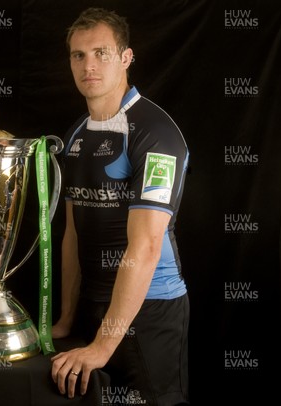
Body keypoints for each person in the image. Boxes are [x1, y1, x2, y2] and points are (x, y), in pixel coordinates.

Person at [50, 8, 190, 406]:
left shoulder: (155, 133)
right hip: (95, 309)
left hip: (149, 312)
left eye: (101, 53)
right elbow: (74, 233)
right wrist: (65, 319)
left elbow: (145, 248)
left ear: (126, 58)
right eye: (78, 55)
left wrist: (102, 345)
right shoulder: (76, 134)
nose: (88, 65)